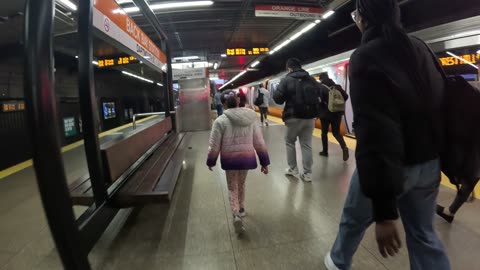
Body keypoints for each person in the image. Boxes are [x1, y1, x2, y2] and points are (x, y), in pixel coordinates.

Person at [324, 0, 451, 269]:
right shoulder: (421, 47)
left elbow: (376, 131)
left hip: (390, 166)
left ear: (364, 18)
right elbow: (443, 102)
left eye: (356, 14)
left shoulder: (365, 55)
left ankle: (338, 262)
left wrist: (384, 212)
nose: (355, 18)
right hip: (429, 164)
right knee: (424, 236)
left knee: (353, 221)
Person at [207, 91, 270, 235]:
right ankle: (241, 209)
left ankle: (235, 213)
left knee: (232, 187)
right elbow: (259, 142)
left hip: (230, 160)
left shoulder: (220, 121)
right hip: (246, 158)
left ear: (224, 104)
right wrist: (264, 162)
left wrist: (211, 160)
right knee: (241, 183)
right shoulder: (251, 118)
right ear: (239, 102)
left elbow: (214, 144)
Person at [273, 58, 327, 182]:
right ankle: (308, 174)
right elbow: (321, 93)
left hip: (293, 116)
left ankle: (293, 169)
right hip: (310, 118)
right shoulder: (312, 80)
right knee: (306, 144)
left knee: (290, 142)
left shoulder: (286, 80)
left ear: (289, 68)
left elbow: (278, 99)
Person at [318, 74, 349, 161]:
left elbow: (318, 101)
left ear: (321, 79)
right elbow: (346, 97)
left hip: (325, 115)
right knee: (336, 133)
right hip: (337, 114)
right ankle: (344, 147)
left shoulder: (321, 87)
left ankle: (325, 151)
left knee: (324, 133)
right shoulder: (337, 87)